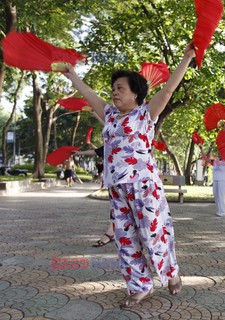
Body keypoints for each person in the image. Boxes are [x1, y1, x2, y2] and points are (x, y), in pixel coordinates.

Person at [63, 42, 195, 307]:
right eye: (113, 89)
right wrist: (72, 75)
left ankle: (171, 273)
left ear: (136, 94)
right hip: (117, 188)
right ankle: (140, 286)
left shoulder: (145, 114)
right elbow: (90, 95)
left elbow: (168, 89)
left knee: (152, 234)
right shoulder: (110, 115)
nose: (114, 93)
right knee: (125, 239)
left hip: (144, 186)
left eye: (119, 88)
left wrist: (186, 58)